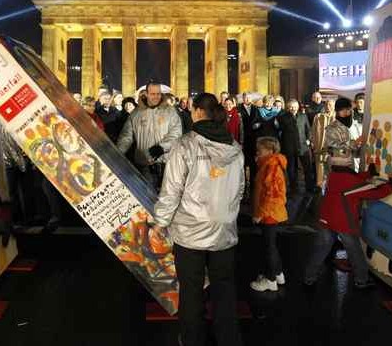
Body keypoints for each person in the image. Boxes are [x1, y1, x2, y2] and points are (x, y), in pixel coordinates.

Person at [154, 93, 244, 346]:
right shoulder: (234, 147)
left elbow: (171, 190)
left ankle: (192, 338)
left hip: (190, 232)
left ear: (196, 111)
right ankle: (228, 339)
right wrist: (227, 215)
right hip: (224, 230)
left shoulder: (185, 145)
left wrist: (160, 223)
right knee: (224, 290)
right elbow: (239, 189)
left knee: (191, 291)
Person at [303, 153, 392, 290]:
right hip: (343, 222)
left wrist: (368, 174)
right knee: (354, 251)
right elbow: (374, 193)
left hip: (326, 218)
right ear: (348, 165)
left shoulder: (333, 176)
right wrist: (391, 185)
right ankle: (361, 280)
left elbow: (354, 181)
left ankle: (309, 277)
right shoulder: (352, 181)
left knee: (320, 249)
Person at [117, 81, 182, 191]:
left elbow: (176, 133)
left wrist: (162, 147)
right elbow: (126, 137)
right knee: (147, 196)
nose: (156, 97)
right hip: (144, 166)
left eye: (158, 94)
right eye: (152, 94)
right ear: (146, 94)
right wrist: (118, 153)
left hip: (167, 165)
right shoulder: (136, 113)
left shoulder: (170, 112)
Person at [250, 136, 288, 292]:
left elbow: (271, 194)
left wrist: (260, 213)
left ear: (270, 150)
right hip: (272, 211)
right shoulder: (268, 164)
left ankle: (271, 280)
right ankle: (278, 274)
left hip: (269, 213)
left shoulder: (270, 166)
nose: (257, 151)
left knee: (269, 247)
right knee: (271, 245)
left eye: (260, 149)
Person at [276, 99, 314, 194]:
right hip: (289, 147)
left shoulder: (303, 116)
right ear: (288, 107)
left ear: (298, 107)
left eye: (295, 106)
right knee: (291, 169)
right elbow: (279, 131)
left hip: (303, 146)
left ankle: (309, 187)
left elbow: (308, 129)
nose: (293, 108)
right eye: (291, 107)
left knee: (307, 168)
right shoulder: (282, 117)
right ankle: (294, 188)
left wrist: (308, 140)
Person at [324, 97, 363, 172]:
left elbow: (357, 151)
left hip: (355, 166)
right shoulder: (332, 128)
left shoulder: (356, 126)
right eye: (342, 110)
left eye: (348, 109)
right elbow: (333, 147)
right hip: (339, 168)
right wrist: (354, 143)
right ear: (337, 111)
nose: (345, 112)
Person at [311, 99, 336, 190]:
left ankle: (332, 186)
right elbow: (313, 131)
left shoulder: (338, 117)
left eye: (330, 105)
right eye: (327, 105)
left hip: (333, 149)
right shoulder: (318, 117)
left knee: (332, 168)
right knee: (320, 168)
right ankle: (320, 187)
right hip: (320, 147)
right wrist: (313, 143)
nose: (328, 107)